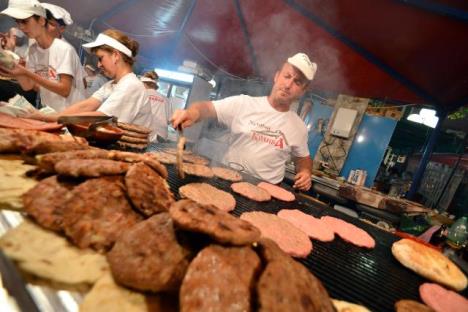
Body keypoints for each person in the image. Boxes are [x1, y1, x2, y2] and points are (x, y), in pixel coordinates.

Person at [171, 53, 317, 191]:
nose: (288, 84)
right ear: (276, 76)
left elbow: (303, 158)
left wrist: (305, 172)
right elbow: (207, 108)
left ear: (303, 91)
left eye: (297, 82)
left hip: (267, 191)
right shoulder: (244, 103)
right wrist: (192, 113)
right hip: (227, 179)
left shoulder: (299, 127)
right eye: (287, 76)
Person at [25, 29, 152, 131]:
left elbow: (101, 116)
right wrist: (52, 117)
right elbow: (87, 105)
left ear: (115, 56)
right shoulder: (111, 85)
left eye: (101, 58)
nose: (99, 65)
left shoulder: (131, 85)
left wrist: (50, 118)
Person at [0, 0, 86, 112]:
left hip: (73, 115)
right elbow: (28, 86)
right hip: (52, 113)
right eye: (18, 22)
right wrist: (15, 70)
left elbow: (65, 90)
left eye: (25, 21)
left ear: (41, 20)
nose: (21, 27)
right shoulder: (33, 50)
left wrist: (25, 72)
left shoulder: (64, 49)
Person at [140, 70, 170, 142]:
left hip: (144, 134)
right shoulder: (166, 99)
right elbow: (169, 120)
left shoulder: (140, 95)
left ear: (144, 83)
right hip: (161, 136)